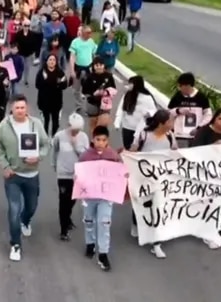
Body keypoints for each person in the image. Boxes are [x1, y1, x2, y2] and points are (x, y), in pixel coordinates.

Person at [0, 94, 52, 262]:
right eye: (17, 108)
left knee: (31, 206)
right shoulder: (4, 127)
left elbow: (45, 144)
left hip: (32, 174)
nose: (20, 110)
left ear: (27, 109)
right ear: (11, 108)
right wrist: (5, 166)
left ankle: (25, 220)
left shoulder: (36, 124)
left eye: (23, 107)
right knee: (14, 210)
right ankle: (15, 244)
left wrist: (39, 156)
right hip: (13, 175)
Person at [129, 109, 176, 258]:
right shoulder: (144, 135)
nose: (172, 123)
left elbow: (176, 152)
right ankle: (136, 223)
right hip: (143, 178)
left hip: (162, 180)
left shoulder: (170, 136)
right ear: (162, 123)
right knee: (142, 204)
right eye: (170, 121)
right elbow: (133, 151)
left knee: (159, 209)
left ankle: (156, 243)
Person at [79, 125, 121, 271]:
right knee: (89, 220)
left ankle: (103, 253)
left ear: (107, 140)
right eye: (98, 139)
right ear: (93, 139)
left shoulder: (113, 155)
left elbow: (119, 172)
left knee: (104, 223)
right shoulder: (86, 156)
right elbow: (79, 174)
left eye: (104, 140)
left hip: (105, 196)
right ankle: (90, 243)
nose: (100, 143)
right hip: (90, 195)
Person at [52, 113, 89, 240]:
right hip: (63, 174)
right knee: (63, 201)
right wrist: (54, 164)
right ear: (68, 126)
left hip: (78, 174)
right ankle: (63, 229)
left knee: (73, 199)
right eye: (73, 129)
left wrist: (76, 145)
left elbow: (85, 156)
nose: (75, 132)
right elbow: (55, 150)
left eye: (78, 130)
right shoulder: (59, 136)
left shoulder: (83, 137)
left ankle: (67, 218)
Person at [167, 72, 213, 148]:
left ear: (188, 86)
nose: (180, 88)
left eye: (181, 86)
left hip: (195, 135)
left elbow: (208, 115)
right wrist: (178, 111)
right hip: (180, 135)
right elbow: (168, 112)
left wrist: (199, 128)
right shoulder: (177, 96)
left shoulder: (201, 97)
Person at [114, 75, 157, 149]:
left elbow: (154, 110)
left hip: (140, 129)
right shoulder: (127, 95)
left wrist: (148, 114)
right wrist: (117, 122)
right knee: (127, 147)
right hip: (127, 127)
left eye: (131, 83)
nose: (129, 85)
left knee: (138, 149)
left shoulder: (147, 97)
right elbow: (121, 108)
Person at [81, 57, 117, 135]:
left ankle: (102, 142)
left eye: (101, 65)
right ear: (93, 66)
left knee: (102, 125)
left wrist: (107, 92)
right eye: (97, 65)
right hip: (92, 103)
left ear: (104, 66)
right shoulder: (89, 77)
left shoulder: (109, 76)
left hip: (105, 104)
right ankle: (94, 142)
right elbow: (84, 91)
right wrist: (93, 94)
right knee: (93, 125)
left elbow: (114, 88)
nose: (99, 67)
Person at [35, 54, 68, 136]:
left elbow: (64, 85)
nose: (52, 62)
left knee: (55, 122)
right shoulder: (41, 72)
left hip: (56, 101)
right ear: (46, 61)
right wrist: (45, 81)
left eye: (54, 60)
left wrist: (59, 84)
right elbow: (37, 85)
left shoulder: (60, 73)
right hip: (44, 101)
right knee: (45, 121)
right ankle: (45, 137)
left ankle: (54, 136)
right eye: (50, 60)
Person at [69, 26, 97, 111]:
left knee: (89, 90)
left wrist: (95, 68)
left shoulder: (91, 42)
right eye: (88, 33)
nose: (90, 34)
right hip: (78, 68)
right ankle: (78, 105)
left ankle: (88, 107)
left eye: (90, 32)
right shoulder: (75, 42)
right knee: (76, 90)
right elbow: (72, 57)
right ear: (83, 32)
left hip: (88, 68)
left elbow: (93, 54)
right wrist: (72, 70)